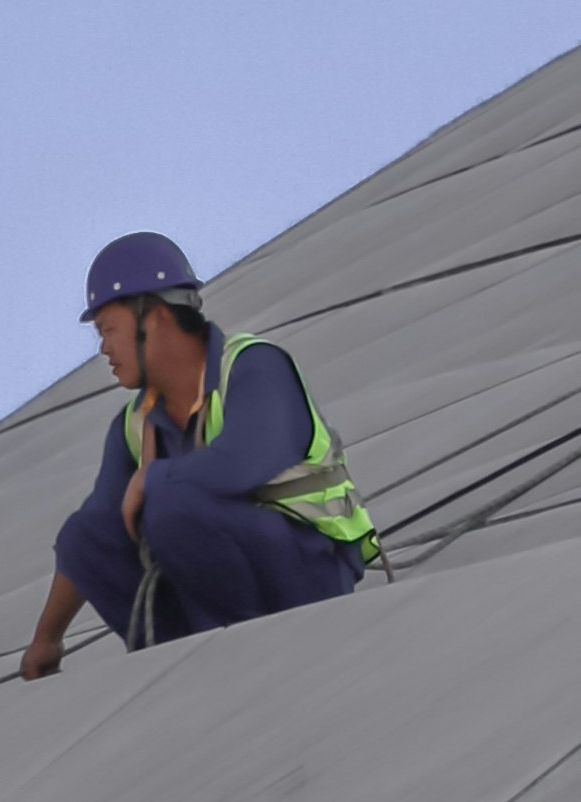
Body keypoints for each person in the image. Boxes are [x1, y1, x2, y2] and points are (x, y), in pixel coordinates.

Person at [21, 232, 383, 678]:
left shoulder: (253, 367)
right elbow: (95, 529)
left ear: (151, 319)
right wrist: (47, 639)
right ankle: (181, 661)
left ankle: (254, 657)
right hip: (217, 588)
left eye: (107, 330)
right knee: (86, 535)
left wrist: (151, 481)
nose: (103, 349)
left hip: (307, 574)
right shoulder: (135, 425)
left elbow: (242, 463)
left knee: (171, 506)